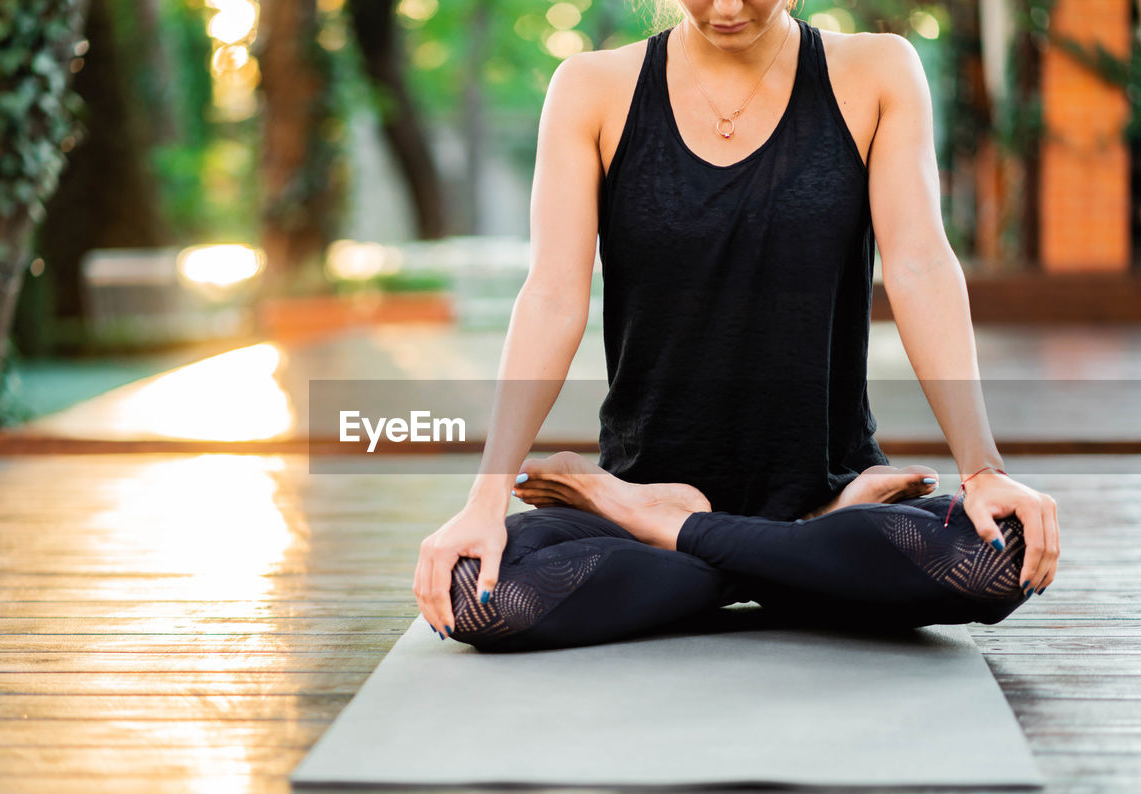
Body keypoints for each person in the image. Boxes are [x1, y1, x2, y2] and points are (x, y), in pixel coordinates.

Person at [412, 0, 1062, 652]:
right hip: (643, 510)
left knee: (998, 554)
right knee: (479, 591)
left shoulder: (878, 73)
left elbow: (921, 266)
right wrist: (485, 499)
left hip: (823, 490)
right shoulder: (590, 89)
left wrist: (983, 470)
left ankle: (689, 533)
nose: (725, 7)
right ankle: (799, 550)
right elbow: (552, 297)